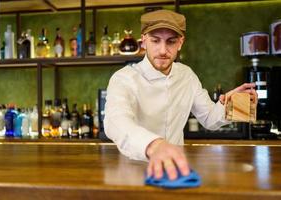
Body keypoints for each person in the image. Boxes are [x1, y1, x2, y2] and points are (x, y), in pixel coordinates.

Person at [104, 9, 257, 181]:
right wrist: (154, 145)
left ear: (180, 42)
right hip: (134, 170)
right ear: (144, 41)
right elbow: (115, 121)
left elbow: (209, 118)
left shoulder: (187, 75)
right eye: (155, 41)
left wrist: (232, 104)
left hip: (176, 171)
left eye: (171, 42)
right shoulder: (124, 78)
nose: (163, 50)